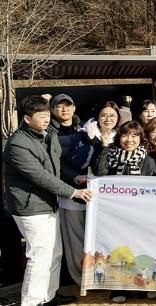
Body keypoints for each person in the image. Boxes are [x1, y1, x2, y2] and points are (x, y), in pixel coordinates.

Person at [4, 95, 92, 306]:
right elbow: (40, 176)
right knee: (39, 254)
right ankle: (32, 301)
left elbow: (56, 165)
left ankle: (48, 296)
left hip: (49, 202)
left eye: (47, 115)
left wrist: (75, 178)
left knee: (54, 252)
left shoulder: (48, 134)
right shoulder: (17, 144)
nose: (46, 119)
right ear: (27, 119)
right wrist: (73, 192)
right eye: (41, 116)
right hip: (30, 206)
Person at [62, 101, 120, 285]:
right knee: (77, 240)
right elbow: (69, 163)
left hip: (106, 201)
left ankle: (103, 278)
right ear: (97, 117)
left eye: (112, 115)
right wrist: (90, 140)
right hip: (78, 195)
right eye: (104, 115)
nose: (108, 119)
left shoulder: (121, 137)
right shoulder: (83, 135)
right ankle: (82, 280)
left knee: (103, 239)